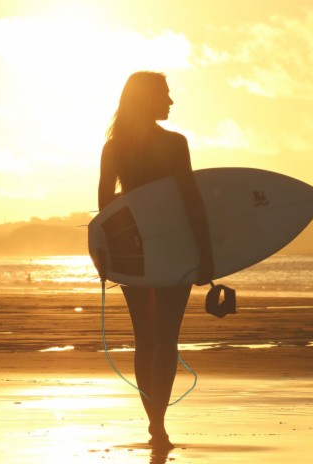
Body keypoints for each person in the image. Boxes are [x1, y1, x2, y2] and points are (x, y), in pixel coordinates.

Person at [98, 71, 214, 449]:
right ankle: (159, 422)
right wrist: (206, 254)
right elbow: (191, 201)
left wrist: (110, 256)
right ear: (147, 98)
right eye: (164, 94)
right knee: (166, 338)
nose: (170, 101)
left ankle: (156, 423)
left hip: (135, 254)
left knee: (145, 339)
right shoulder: (174, 143)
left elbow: (104, 208)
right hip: (175, 250)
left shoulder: (114, 147)